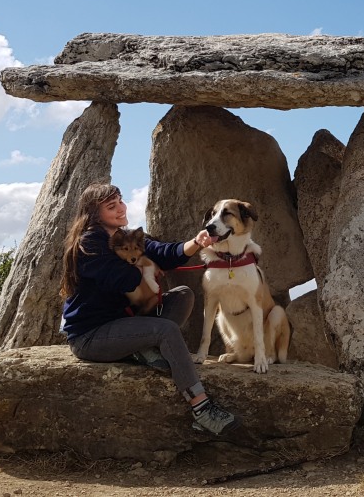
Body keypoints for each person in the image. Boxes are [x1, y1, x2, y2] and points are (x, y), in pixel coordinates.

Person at [60, 183, 241, 436]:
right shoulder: (89, 243)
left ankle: (142, 350)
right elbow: (121, 279)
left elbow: (164, 252)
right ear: (93, 213)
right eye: (111, 206)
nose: (121, 208)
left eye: (120, 202)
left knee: (182, 296)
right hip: (91, 336)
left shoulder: (126, 236)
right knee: (165, 330)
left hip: (124, 323)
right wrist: (145, 268)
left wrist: (198, 242)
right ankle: (202, 410)